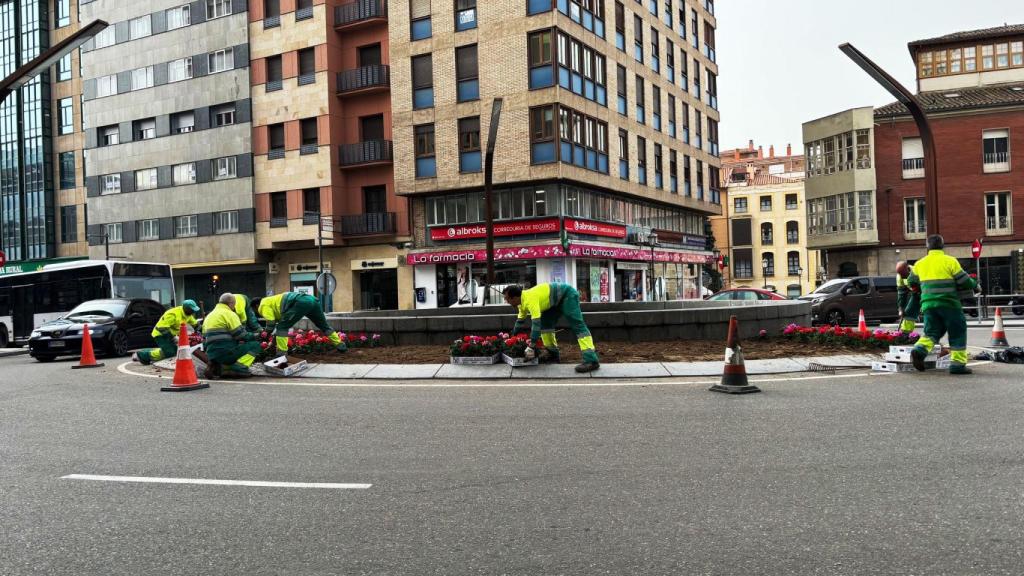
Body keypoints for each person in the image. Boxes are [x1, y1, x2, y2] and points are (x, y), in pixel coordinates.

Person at [908, 235, 978, 375]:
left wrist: (920, 289)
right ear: (942, 246)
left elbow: (911, 282)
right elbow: (964, 281)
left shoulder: (919, 264)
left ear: (927, 247)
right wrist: (975, 285)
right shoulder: (950, 261)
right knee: (957, 332)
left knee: (931, 332)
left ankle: (919, 350)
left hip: (928, 305)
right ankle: (957, 365)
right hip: (949, 304)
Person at [503, 283, 600, 373]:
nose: (506, 301)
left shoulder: (530, 299)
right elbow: (519, 322)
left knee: (578, 325)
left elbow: (536, 324)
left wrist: (531, 346)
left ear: (514, 298)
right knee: (546, 326)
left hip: (566, 294)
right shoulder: (522, 302)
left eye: (507, 299)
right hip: (553, 302)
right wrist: (512, 337)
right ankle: (553, 355)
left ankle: (591, 360)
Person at [257, 291, 347, 355]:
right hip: (312, 300)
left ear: (256, 306)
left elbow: (271, 323)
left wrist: (266, 333)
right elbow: (279, 324)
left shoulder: (263, 305)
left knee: (282, 327)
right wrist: (273, 343)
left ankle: (281, 354)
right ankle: (340, 345)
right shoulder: (272, 301)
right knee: (324, 326)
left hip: (301, 302)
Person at [201, 293, 262, 379]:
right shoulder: (230, 314)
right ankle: (236, 367)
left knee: (231, 346)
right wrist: (256, 335)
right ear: (231, 303)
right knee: (255, 345)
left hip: (211, 354)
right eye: (234, 304)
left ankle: (217, 365)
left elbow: (204, 337)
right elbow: (241, 335)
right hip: (226, 353)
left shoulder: (209, 316)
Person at [134, 299, 201, 365]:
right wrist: (173, 338)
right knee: (169, 352)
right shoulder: (173, 314)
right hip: (161, 334)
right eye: (192, 310)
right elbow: (162, 328)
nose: (193, 312)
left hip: (170, 335)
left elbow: (195, 324)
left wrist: (201, 330)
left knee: (175, 351)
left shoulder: (188, 315)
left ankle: (146, 356)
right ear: (187, 309)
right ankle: (142, 355)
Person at [896, 261, 920, 334]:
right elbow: (901, 293)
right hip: (916, 294)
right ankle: (905, 333)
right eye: (899, 274)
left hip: (926, 293)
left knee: (929, 312)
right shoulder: (899, 276)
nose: (902, 276)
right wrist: (901, 308)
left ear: (908, 269)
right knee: (909, 312)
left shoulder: (916, 271)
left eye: (903, 274)